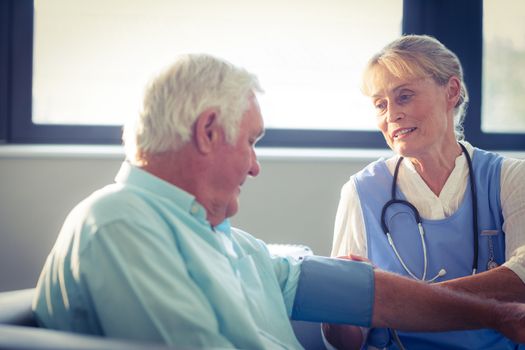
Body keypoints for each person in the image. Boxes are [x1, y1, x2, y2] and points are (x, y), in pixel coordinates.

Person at [32, 53, 525, 350]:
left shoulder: (233, 244)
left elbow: (368, 292)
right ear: (208, 132)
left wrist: (496, 317)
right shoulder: (119, 222)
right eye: (251, 141)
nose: (254, 165)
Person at [328, 34, 525, 349]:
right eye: (380, 104)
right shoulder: (360, 191)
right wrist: (340, 300)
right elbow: (347, 340)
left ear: (451, 91)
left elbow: (521, 281)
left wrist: (388, 300)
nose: (391, 114)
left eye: (404, 96)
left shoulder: (511, 179)